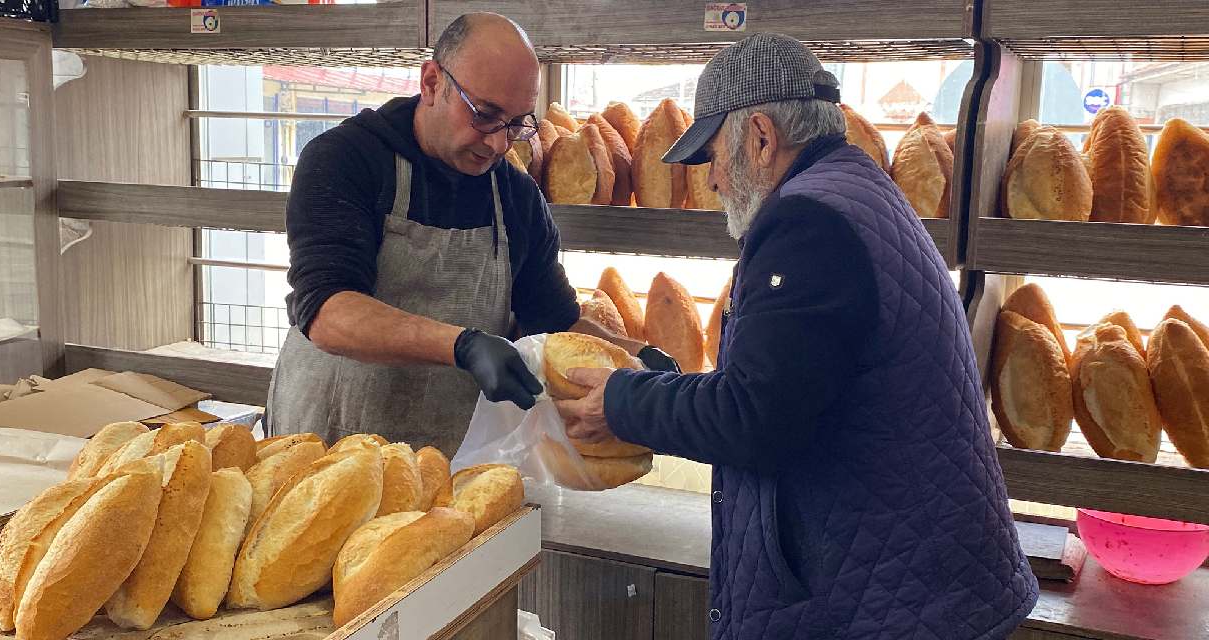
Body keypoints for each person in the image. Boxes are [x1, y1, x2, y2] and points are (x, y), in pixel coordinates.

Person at [556, 34, 1038, 639]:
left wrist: (623, 402)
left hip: (886, 604)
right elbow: (789, 383)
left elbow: (757, 419)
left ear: (760, 136)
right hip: (907, 584)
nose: (712, 184)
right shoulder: (856, 193)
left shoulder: (808, 224)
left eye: (711, 159)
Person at [265, 12, 678, 453]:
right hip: (324, 449)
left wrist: (634, 358)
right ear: (430, 82)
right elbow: (328, 312)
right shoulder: (347, 159)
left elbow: (555, 322)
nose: (500, 144)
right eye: (485, 115)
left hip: (445, 459)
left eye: (518, 122)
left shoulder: (516, 197)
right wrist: (462, 345)